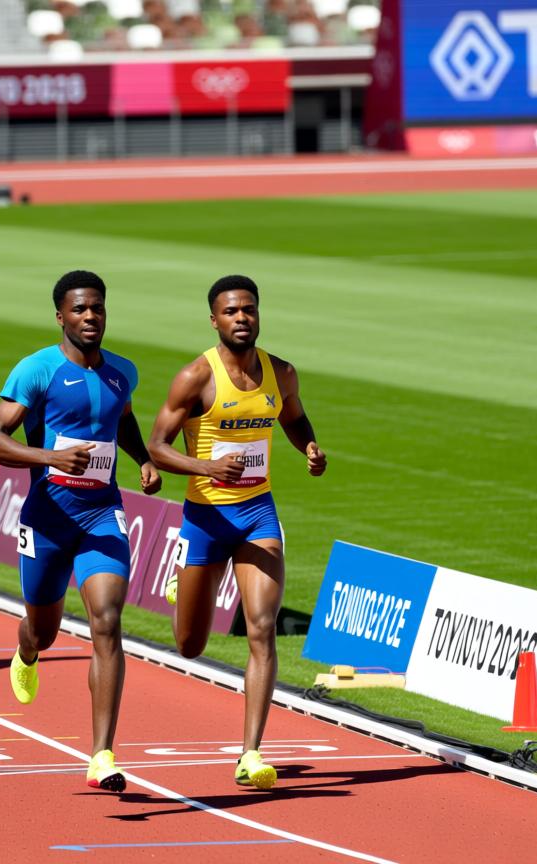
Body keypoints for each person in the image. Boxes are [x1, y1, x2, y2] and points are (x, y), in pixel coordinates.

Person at [0, 270, 161, 792]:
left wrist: (144, 459)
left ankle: (102, 754)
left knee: (106, 620)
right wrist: (50, 457)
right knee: (45, 628)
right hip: (47, 518)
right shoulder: (36, 371)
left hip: (102, 514)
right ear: (61, 316)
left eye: (97, 309)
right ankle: (28, 650)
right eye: (79, 310)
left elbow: (121, 418)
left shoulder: (122, 372)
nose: (90, 317)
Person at [146, 274, 326, 790]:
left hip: (256, 514)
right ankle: (185, 587)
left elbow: (294, 417)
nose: (241, 317)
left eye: (249, 309)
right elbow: (158, 445)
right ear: (214, 320)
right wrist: (205, 469)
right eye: (231, 311)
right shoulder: (195, 378)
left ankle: (250, 754)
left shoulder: (282, 373)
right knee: (190, 644)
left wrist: (308, 447)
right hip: (206, 518)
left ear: (258, 314)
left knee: (261, 629)